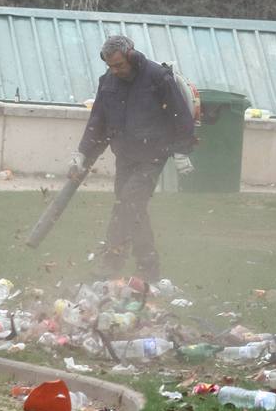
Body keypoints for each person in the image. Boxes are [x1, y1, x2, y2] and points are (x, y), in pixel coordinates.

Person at [68, 34, 196, 281]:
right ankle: (148, 268)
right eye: (110, 66)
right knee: (133, 208)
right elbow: (98, 121)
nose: (115, 71)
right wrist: (82, 153)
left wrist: (182, 149)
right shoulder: (108, 82)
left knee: (127, 203)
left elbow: (180, 114)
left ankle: (111, 262)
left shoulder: (157, 77)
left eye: (119, 65)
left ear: (131, 55)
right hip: (125, 156)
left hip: (152, 156)